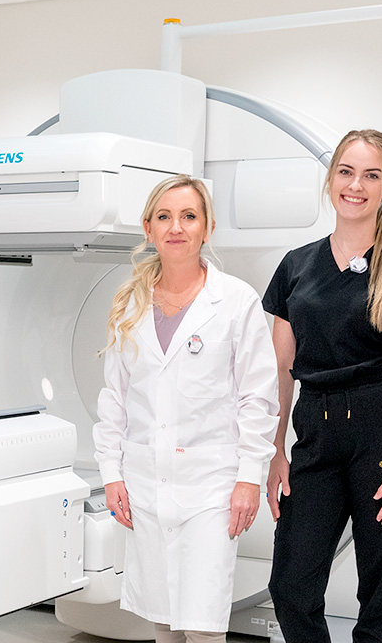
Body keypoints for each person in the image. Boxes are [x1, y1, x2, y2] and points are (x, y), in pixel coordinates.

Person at [263, 130, 382, 643]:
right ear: (331, 180)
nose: (356, 185)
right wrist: (276, 449)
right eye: (346, 172)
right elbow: (280, 369)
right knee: (291, 585)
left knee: (381, 593)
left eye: (371, 175)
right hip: (315, 431)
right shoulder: (296, 266)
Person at [94, 175, 278, 643]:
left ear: (207, 227)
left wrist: (248, 478)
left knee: (202, 625)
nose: (177, 227)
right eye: (164, 217)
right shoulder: (128, 304)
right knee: (162, 618)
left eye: (189, 216)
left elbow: (257, 397)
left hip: (211, 485)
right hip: (144, 480)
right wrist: (110, 473)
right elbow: (115, 396)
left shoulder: (236, 301)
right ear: (148, 228)